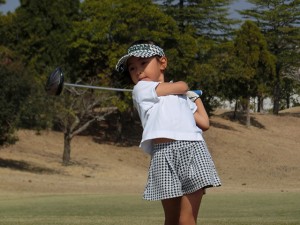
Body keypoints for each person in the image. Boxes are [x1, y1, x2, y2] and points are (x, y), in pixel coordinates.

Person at [116, 40, 221, 225]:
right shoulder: (141, 88)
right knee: (172, 219)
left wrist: (195, 99)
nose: (138, 71)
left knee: (186, 219)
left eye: (143, 63)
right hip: (164, 154)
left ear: (162, 63)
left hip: (194, 149)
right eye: (132, 68)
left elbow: (204, 123)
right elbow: (181, 85)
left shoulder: (181, 98)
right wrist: (185, 90)